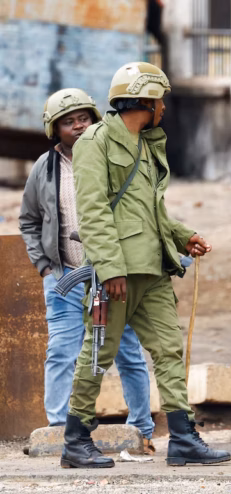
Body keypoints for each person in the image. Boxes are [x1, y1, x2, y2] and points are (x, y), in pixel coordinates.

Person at [61, 62, 230, 468]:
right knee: (98, 352)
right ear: (143, 100)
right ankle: (75, 440)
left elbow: (149, 209)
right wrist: (110, 267)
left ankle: (184, 438)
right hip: (117, 273)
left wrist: (180, 234)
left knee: (170, 350)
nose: (164, 108)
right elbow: (94, 210)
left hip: (153, 268)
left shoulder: (148, 143)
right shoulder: (95, 142)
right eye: (160, 100)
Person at [19, 88, 156, 453]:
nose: (78, 126)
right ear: (55, 128)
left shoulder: (114, 156)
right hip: (65, 278)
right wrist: (45, 267)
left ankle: (142, 424)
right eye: (69, 121)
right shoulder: (43, 169)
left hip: (111, 274)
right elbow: (29, 221)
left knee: (126, 349)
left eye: (84, 118)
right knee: (62, 350)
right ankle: (59, 425)